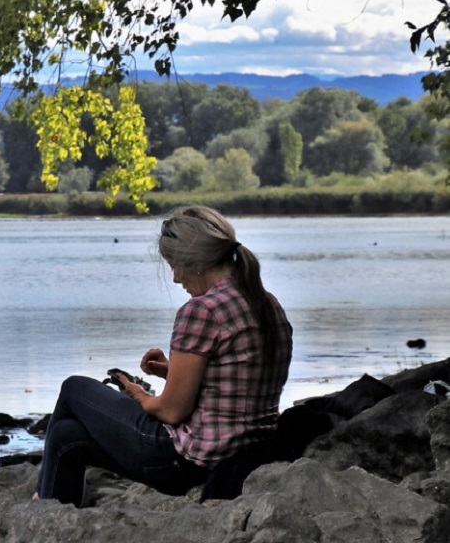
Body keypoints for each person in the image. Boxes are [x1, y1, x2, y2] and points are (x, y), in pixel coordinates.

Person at [33, 205, 293, 505]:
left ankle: (40, 499)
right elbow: (239, 379)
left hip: (185, 461)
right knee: (67, 436)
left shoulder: (202, 310)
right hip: (246, 450)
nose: (176, 279)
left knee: (74, 388)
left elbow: (171, 412)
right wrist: (173, 372)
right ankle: (49, 505)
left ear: (193, 262)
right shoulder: (266, 302)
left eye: (174, 265)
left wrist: (137, 394)